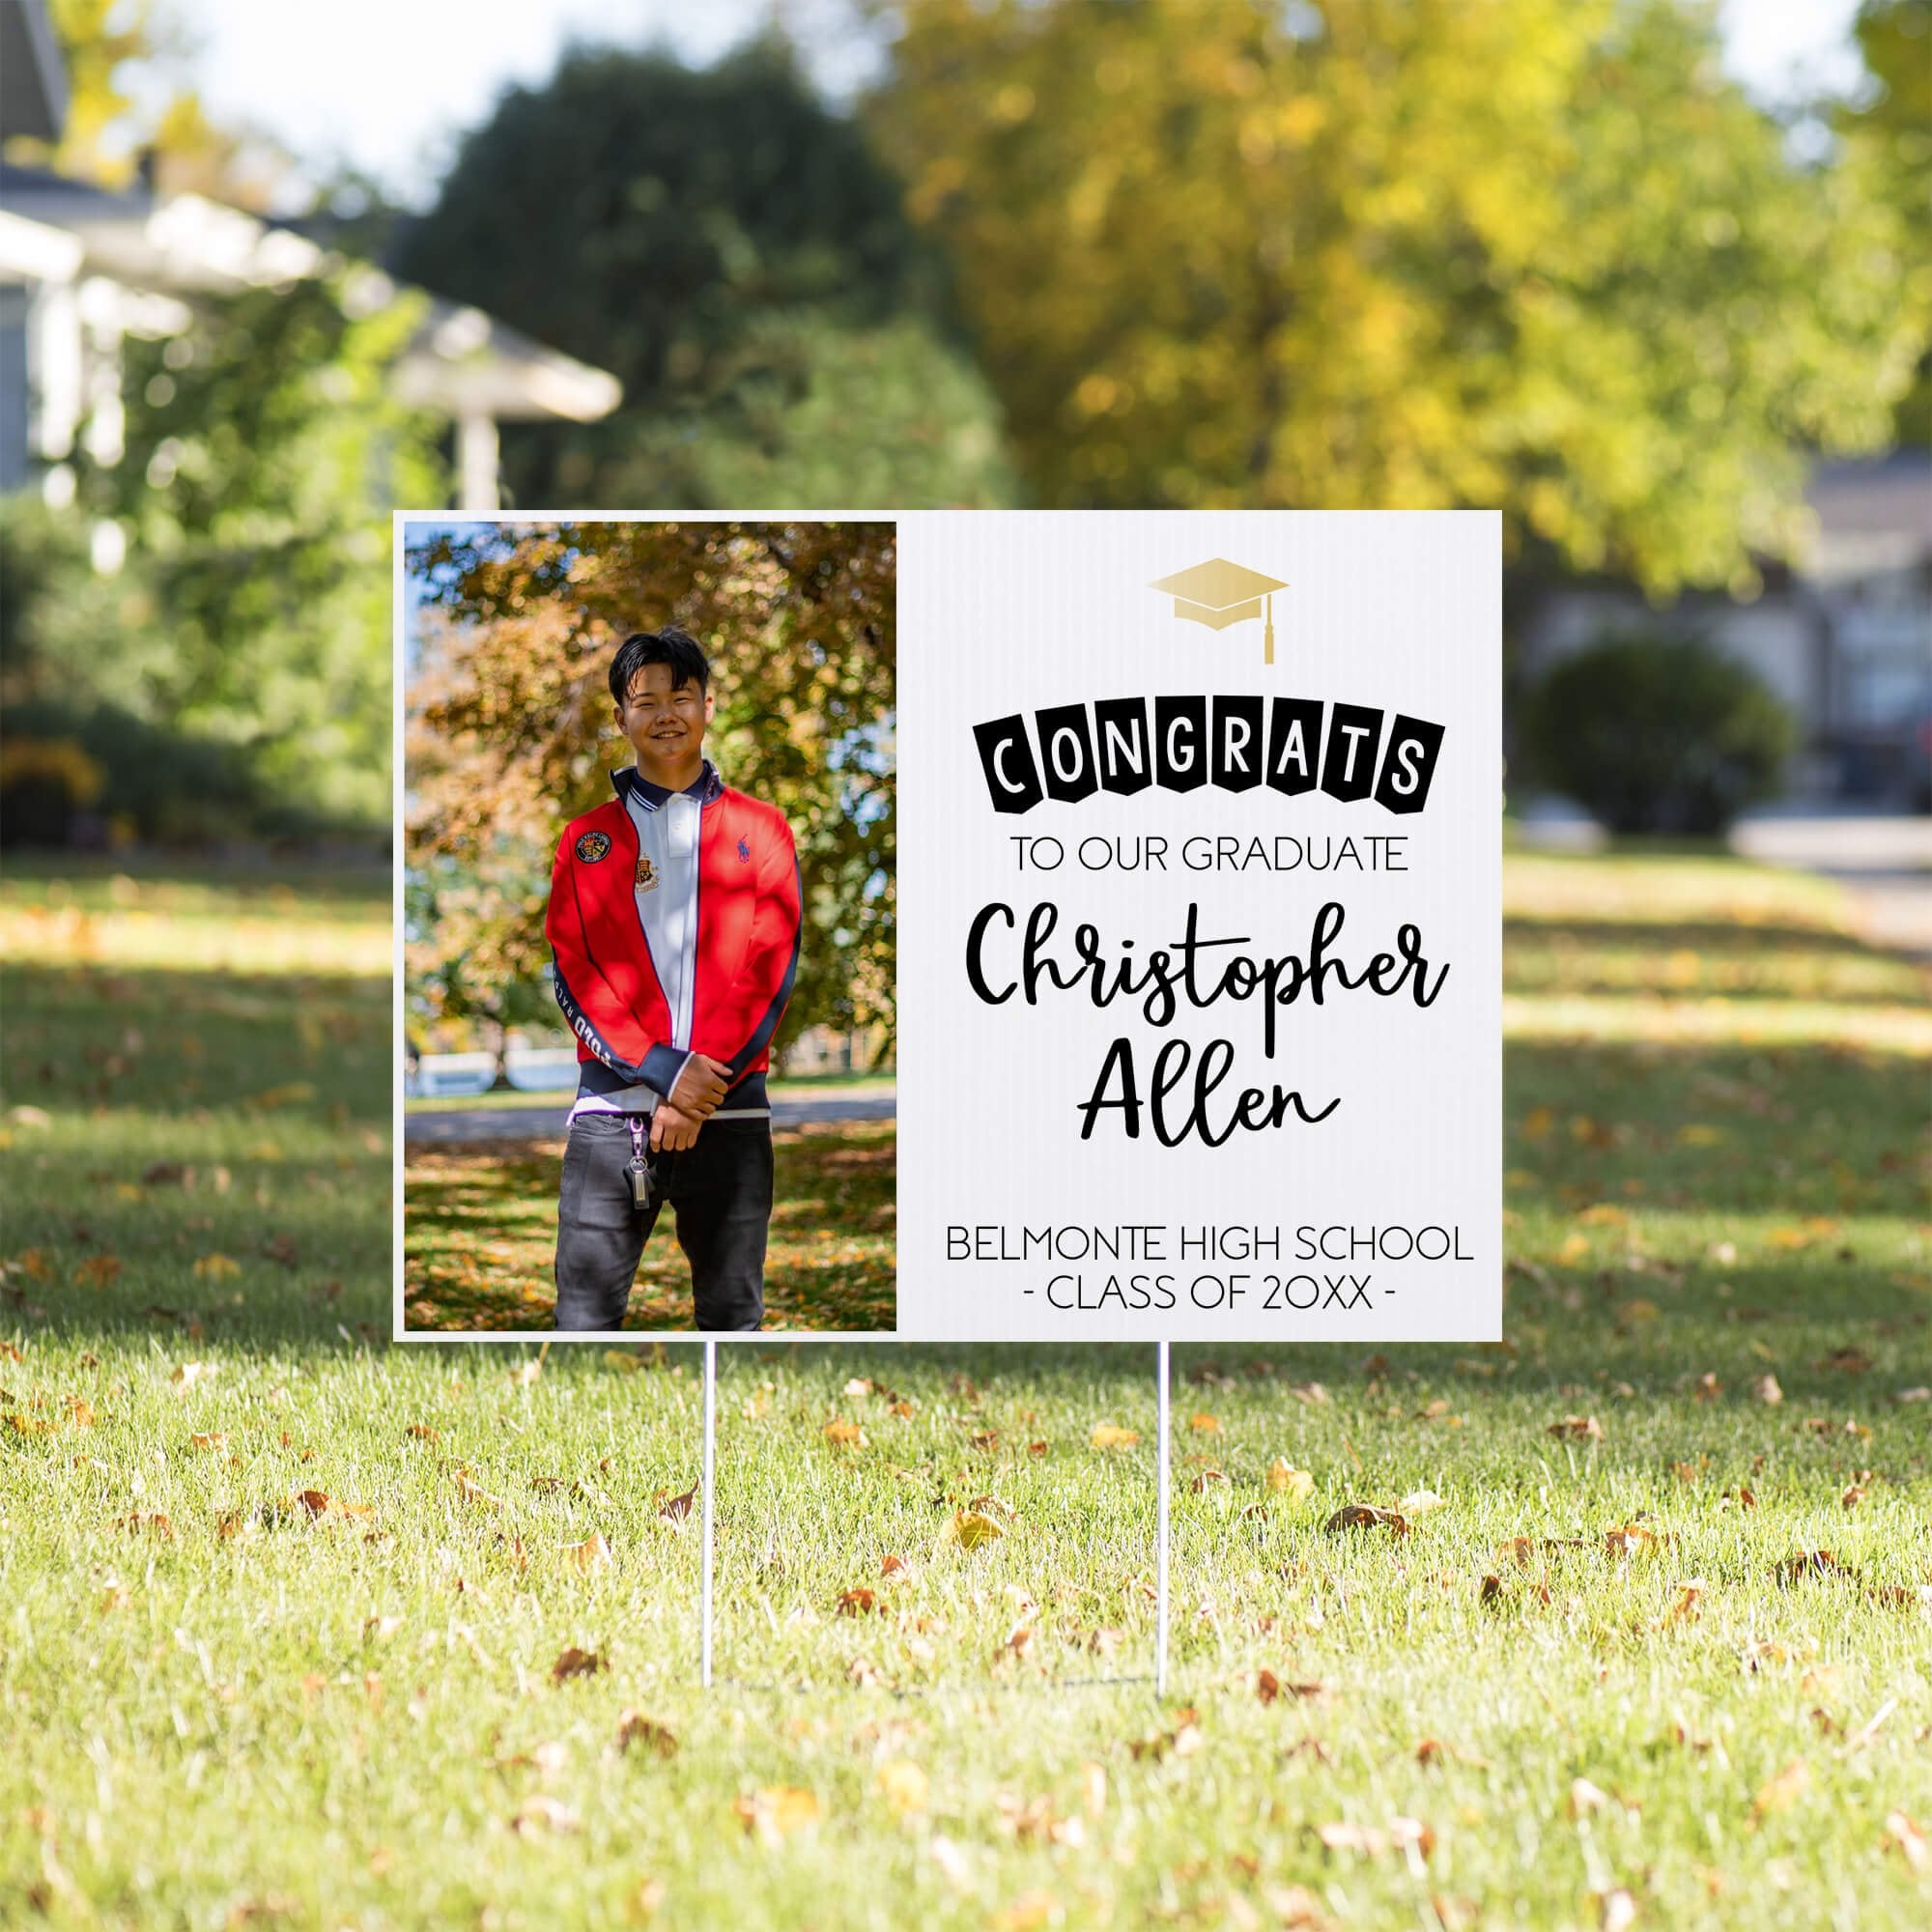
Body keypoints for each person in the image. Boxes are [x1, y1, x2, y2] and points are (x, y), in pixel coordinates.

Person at [544, 626, 801, 1331]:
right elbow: (576, 970)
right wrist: (662, 1071)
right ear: (621, 717)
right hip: (609, 1121)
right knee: (583, 1321)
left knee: (733, 1317)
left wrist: (694, 1094)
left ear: (709, 706)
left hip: (731, 1114)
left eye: (680, 697)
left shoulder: (764, 828)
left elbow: (769, 968)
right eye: (644, 701)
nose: (665, 714)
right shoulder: (585, 840)